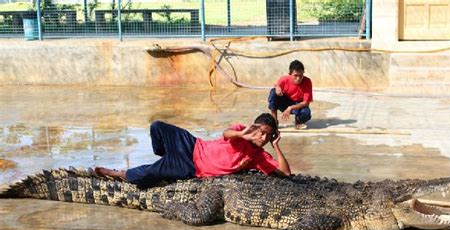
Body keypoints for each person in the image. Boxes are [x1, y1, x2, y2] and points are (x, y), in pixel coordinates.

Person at [95, 113, 291, 187]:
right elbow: (227, 133)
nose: (263, 138)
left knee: (150, 173)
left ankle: (119, 173)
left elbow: (286, 173)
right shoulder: (241, 131)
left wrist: (276, 146)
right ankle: (164, 155)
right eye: (261, 132)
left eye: (268, 136)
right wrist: (243, 135)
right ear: (254, 127)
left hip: (192, 167)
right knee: (157, 126)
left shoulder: (259, 157)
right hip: (192, 144)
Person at [268, 60, 313, 129]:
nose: (298, 78)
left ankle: (298, 122)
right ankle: (274, 121)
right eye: (295, 75)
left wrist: (291, 107)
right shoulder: (284, 79)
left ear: (303, 73)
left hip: (297, 105)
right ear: (290, 74)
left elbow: (306, 103)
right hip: (284, 103)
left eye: (301, 75)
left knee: (306, 113)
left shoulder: (307, 81)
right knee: (273, 92)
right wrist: (277, 87)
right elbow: (276, 85)